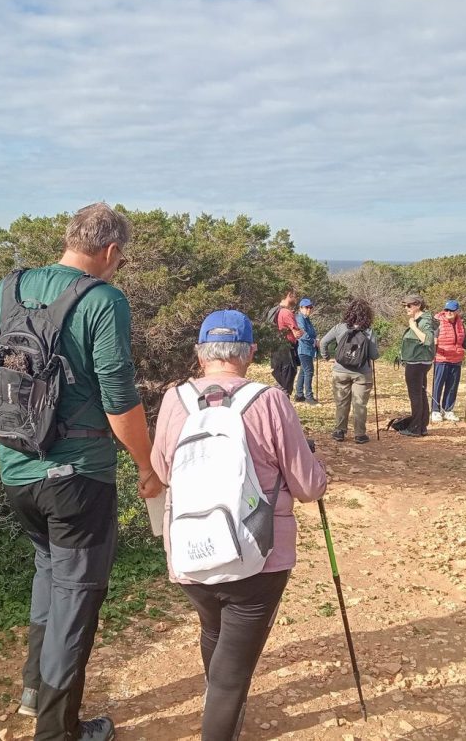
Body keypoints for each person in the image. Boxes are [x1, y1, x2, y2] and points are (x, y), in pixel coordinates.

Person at [0, 203, 163, 741]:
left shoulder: (7, 290)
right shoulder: (103, 299)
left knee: (48, 574)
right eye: (121, 258)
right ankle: (57, 732)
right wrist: (147, 467)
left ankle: (34, 693)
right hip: (78, 479)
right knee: (76, 600)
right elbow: (118, 399)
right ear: (109, 252)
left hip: (16, 472)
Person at [150, 310, 327, 741]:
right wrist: (318, 470)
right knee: (233, 677)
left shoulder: (175, 400)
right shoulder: (269, 401)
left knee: (213, 628)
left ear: (199, 353)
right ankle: (221, 722)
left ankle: (222, 709)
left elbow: (161, 469)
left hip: (191, 548)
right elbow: (307, 486)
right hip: (257, 557)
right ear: (250, 353)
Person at [319, 298, 380, 444]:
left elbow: (323, 342)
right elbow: (374, 355)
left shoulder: (340, 328)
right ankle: (359, 434)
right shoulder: (368, 332)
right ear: (367, 315)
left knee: (341, 402)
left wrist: (327, 357)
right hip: (362, 373)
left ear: (349, 312)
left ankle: (339, 431)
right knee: (359, 404)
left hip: (340, 370)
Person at [431, 300, 466, 423]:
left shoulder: (460, 325)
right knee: (438, 385)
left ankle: (448, 410)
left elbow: (463, 343)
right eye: (446, 310)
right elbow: (431, 339)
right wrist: (433, 343)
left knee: (452, 386)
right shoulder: (438, 323)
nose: (448, 312)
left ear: (457, 311)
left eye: (451, 310)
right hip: (441, 359)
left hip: (456, 360)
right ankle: (435, 410)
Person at [399, 294, 435, 437]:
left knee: (415, 395)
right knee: (421, 394)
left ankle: (415, 428)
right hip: (421, 362)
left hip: (417, 363)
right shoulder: (422, 318)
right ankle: (422, 427)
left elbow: (428, 339)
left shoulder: (423, 321)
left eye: (409, 305)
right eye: (404, 305)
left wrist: (413, 327)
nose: (406, 308)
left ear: (418, 305)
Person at [269, 288, 303, 396]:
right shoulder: (286, 312)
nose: (297, 300)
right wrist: (301, 331)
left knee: (280, 379)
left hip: (275, 348)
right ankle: (283, 406)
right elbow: (296, 333)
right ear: (289, 295)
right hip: (286, 350)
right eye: (295, 296)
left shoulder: (273, 311)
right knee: (286, 382)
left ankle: (278, 403)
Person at [294, 297, 319, 405]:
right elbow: (303, 334)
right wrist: (314, 341)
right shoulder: (300, 318)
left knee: (304, 371)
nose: (309, 309)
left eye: (310, 307)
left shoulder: (306, 319)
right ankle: (309, 397)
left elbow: (312, 332)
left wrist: (315, 340)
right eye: (307, 307)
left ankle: (299, 394)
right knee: (309, 371)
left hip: (309, 349)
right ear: (301, 308)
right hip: (304, 348)